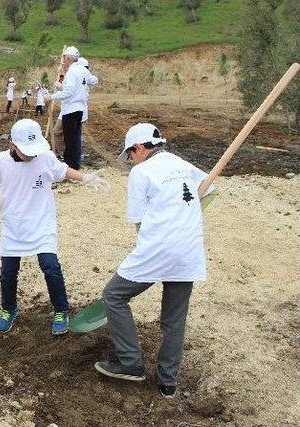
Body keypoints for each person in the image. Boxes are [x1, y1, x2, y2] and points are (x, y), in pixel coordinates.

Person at [94, 123, 217, 399]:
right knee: (174, 319)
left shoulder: (141, 172)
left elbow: (137, 219)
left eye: (129, 155)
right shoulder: (180, 163)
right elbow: (210, 187)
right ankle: (167, 383)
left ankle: (130, 364)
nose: (129, 160)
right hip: (189, 249)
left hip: (158, 248)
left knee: (113, 295)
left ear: (138, 147)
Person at [0, 119, 110, 335]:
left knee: (50, 267)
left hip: (41, 224)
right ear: (12, 144)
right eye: (25, 150)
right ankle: (8, 308)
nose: (31, 155)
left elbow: (64, 171)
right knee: (8, 273)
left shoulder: (45, 158)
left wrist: (86, 178)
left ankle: (61, 310)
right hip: (13, 227)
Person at [44, 46, 88, 170]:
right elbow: (70, 87)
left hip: (72, 109)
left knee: (67, 135)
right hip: (70, 109)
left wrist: (53, 95)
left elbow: (69, 91)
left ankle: (69, 159)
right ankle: (71, 158)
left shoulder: (76, 73)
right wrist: (63, 74)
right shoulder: (78, 74)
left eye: (65, 59)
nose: (63, 61)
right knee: (72, 136)